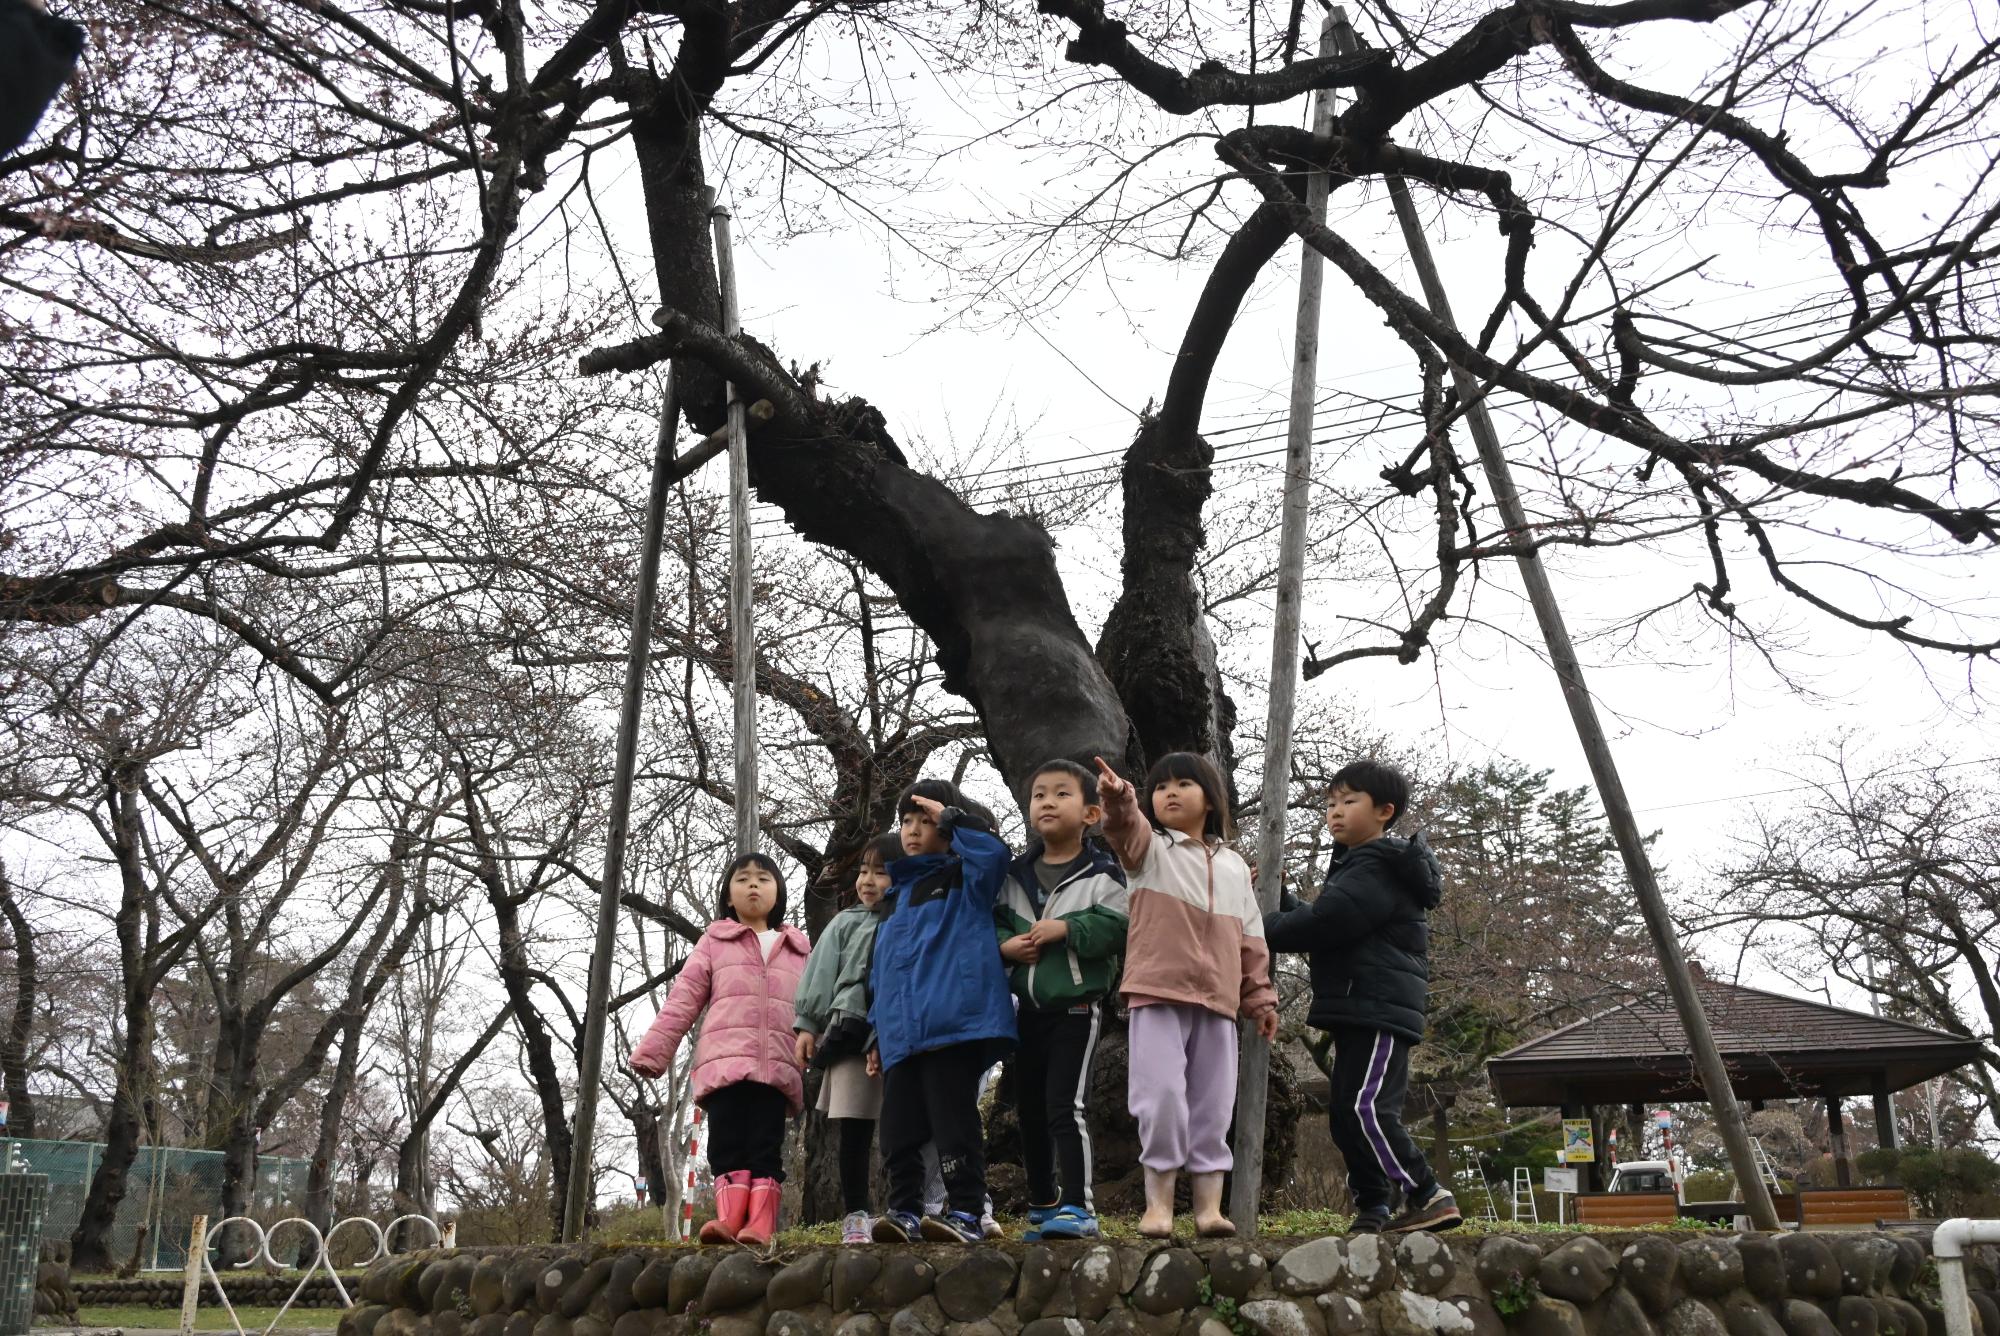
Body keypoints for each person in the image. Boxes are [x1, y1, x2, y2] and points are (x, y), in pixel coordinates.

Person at [1263, 760, 1459, 1234]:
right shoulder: (1358, 866)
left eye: (1349, 802)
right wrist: (1279, 899)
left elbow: (1328, 924)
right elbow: (1328, 919)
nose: (1335, 812)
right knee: (1346, 1116)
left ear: (1384, 811)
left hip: (1379, 1008)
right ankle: (1374, 1207)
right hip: (1361, 1006)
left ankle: (1427, 1192)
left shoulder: (1377, 864)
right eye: (1330, 804)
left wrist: (1256, 928)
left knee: (1367, 1109)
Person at [1096, 752, 1278, 1240]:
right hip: (1157, 993)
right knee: (1160, 1098)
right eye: (1160, 787)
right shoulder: (1150, 850)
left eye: (1182, 783)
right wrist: (1119, 801)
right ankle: (1158, 1206)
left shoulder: (1237, 868)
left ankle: (1208, 1209)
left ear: (1210, 797)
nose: (1169, 793)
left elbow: (1252, 940)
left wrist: (1259, 999)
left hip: (1219, 1005)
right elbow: (1124, 830)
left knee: (1213, 1106)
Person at [630, 853, 810, 1246]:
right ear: (728, 896)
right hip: (725, 1065)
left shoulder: (799, 948)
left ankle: (760, 1225)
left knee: (766, 1145)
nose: (753, 885)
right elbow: (684, 998)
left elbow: (816, 1007)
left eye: (763, 879)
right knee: (727, 1144)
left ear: (778, 892)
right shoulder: (714, 942)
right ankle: (730, 1220)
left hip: (778, 1067)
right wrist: (654, 1052)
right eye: (742, 879)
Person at [865, 780, 1016, 1243]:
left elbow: (995, 856)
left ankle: (968, 1211)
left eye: (924, 820)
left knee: (955, 1127)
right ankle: (904, 1211)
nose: (912, 830)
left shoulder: (965, 878)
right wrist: (875, 1034)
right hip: (901, 1038)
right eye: (906, 821)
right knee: (898, 1132)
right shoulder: (895, 899)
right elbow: (882, 976)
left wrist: (953, 820)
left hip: (953, 1029)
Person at [995, 758, 1129, 1240]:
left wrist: (1067, 928)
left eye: (1061, 793)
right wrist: (1004, 946)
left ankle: (1079, 1205)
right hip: (1026, 1011)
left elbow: (1118, 927)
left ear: (1091, 814)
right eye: (1039, 795)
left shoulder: (1103, 872)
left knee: (1063, 1105)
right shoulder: (1015, 875)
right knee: (1027, 1107)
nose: (1048, 802)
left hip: (1076, 1008)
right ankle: (1042, 1199)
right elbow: (996, 925)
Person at [793, 832, 900, 1243]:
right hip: (850, 1030)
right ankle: (856, 1214)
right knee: (854, 1129)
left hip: (895, 1031)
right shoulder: (844, 921)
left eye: (881, 873)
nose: (868, 881)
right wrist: (807, 1024)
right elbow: (819, 975)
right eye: (863, 871)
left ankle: (902, 1210)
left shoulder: (909, 916)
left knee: (901, 1126)